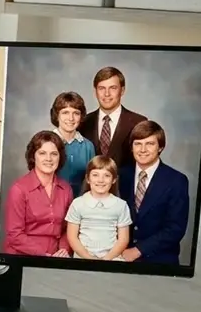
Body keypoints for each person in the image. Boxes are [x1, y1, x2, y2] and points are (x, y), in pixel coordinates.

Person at [119, 121, 190, 265]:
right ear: (131, 148)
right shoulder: (122, 175)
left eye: (150, 144)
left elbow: (175, 228)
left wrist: (138, 250)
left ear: (160, 147)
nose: (143, 149)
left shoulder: (176, 180)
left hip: (159, 259)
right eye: (138, 144)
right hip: (121, 254)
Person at [2, 130, 74, 257]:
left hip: (56, 257)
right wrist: (43, 255)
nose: (48, 159)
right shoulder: (19, 189)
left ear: (60, 157)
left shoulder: (66, 189)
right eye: (42, 153)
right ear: (33, 157)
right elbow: (15, 234)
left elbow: (68, 228)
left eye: (54, 154)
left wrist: (63, 250)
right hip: (23, 256)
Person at [66, 156, 132, 261]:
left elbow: (123, 239)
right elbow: (72, 237)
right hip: (83, 257)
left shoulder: (121, 205)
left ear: (114, 179)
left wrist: (107, 259)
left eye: (106, 175)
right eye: (95, 175)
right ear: (88, 178)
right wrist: (88, 258)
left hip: (112, 258)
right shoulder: (78, 203)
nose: (100, 180)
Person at [79, 66, 147, 167]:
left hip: (126, 182)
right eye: (102, 88)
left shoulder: (139, 122)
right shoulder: (83, 122)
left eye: (113, 88)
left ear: (122, 90)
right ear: (95, 91)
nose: (107, 94)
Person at [50, 91, 96, 195]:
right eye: (65, 112)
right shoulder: (46, 143)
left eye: (76, 113)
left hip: (80, 203)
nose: (71, 118)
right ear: (57, 115)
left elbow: (91, 180)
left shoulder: (88, 146)